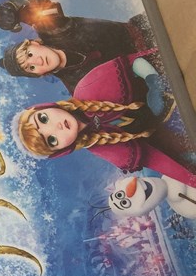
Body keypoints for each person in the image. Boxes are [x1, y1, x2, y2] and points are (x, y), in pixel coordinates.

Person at [13, 53, 196, 188]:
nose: (56, 127)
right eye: (52, 140)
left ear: (46, 107)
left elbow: (135, 61)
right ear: (62, 150)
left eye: (43, 119)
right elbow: (159, 160)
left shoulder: (87, 88)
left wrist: (153, 83)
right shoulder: (103, 149)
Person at [0, 0, 156, 93]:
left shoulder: (52, 29)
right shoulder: (78, 86)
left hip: (145, 28)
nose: (38, 61)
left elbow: (40, 5)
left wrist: (16, 8)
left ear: (34, 43)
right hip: (154, 67)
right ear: (38, 74)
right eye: (31, 68)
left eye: (30, 54)